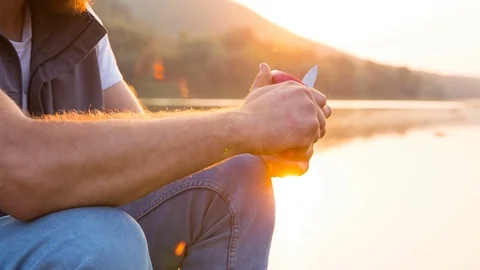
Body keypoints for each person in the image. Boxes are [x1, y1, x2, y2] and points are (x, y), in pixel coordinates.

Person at [0, 0, 331, 269]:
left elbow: (147, 157)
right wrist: (244, 124)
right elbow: (19, 168)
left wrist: (249, 143)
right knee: (105, 241)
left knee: (239, 174)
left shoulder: (76, 21)